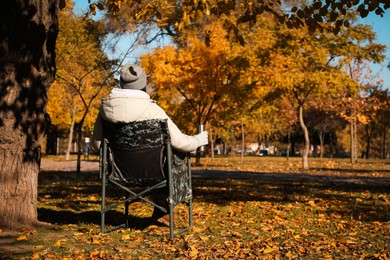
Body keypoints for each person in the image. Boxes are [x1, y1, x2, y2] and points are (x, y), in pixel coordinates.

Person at [92, 63, 208, 225]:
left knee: (161, 158)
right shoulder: (153, 110)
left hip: (119, 173)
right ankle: (163, 210)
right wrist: (199, 140)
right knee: (172, 156)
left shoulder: (105, 111)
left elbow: (96, 146)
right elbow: (180, 142)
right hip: (155, 172)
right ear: (143, 86)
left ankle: (160, 211)